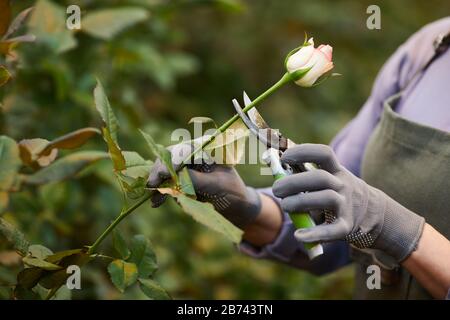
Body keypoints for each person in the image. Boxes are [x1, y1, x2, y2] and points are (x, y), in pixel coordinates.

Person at [147, 18, 450, 299]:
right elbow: (332, 223)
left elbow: (365, 213)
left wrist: (394, 228)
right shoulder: (428, 51)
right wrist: (246, 206)